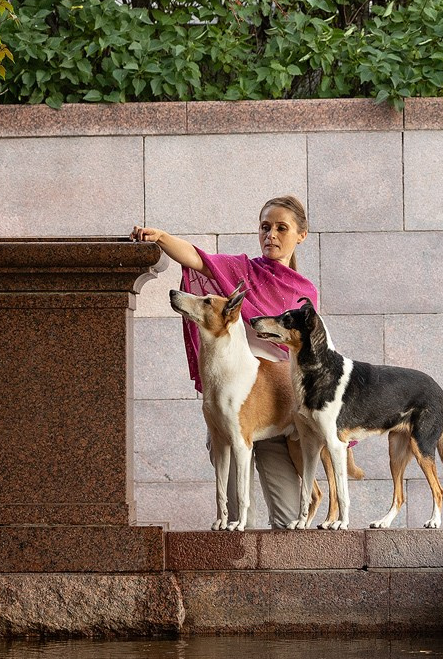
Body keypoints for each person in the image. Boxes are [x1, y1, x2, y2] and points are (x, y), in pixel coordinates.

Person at [132, 195, 318, 528]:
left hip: (278, 406)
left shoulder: (305, 293)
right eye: (265, 227)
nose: (271, 235)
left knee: (289, 521)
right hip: (232, 400)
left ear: (301, 235)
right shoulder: (242, 271)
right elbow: (198, 259)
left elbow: (310, 356)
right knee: (236, 519)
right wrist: (161, 237)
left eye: (281, 228)